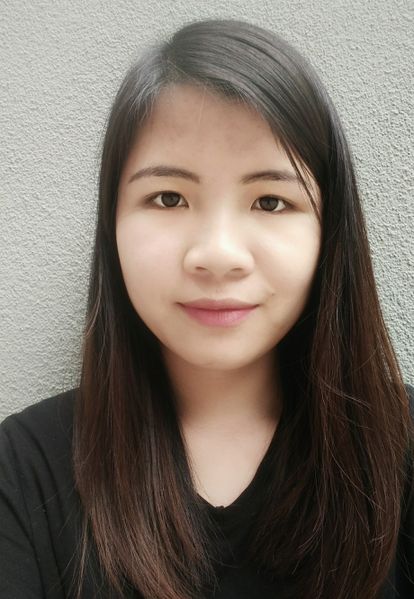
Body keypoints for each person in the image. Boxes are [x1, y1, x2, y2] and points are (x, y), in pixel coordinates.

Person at [0, 17, 413, 599]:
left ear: (330, 233)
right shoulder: (22, 468)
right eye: (168, 198)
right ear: (112, 226)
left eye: (271, 201)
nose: (218, 256)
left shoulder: (401, 450)